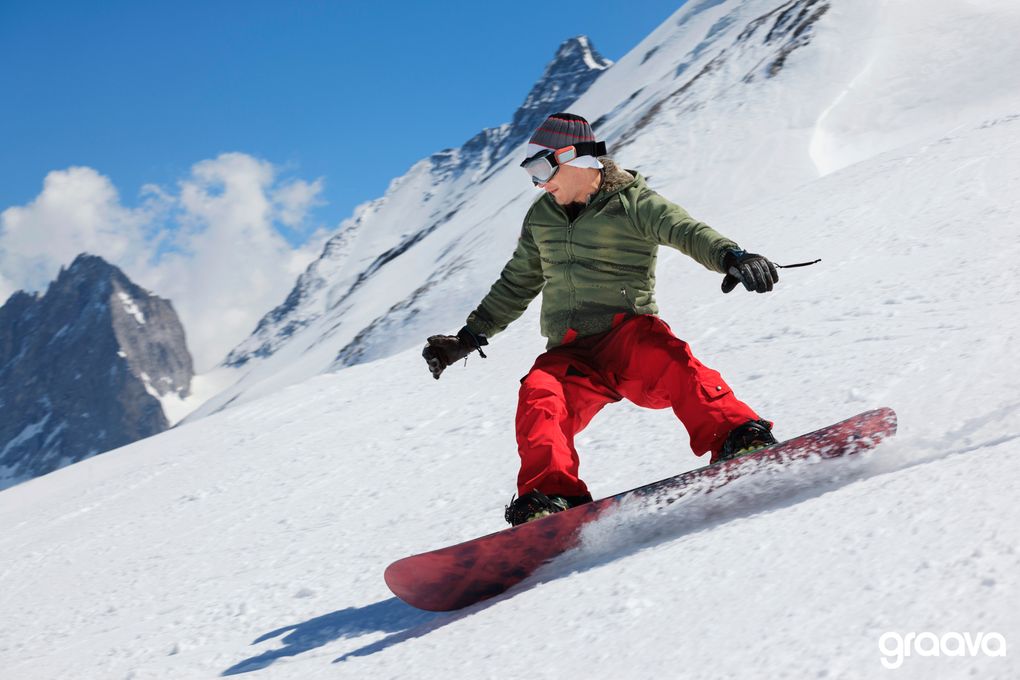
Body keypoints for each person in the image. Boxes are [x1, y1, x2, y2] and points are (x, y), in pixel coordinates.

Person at [423, 112, 780, 526]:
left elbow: (684, 229)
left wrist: (731, 256)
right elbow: (518, 281)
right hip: (571, 351)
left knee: (671, 360)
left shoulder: (633, 202)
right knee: (540, 394)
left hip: (627, 336)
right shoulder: (542, 217)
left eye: (541, 170)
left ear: (572, 157)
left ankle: (738, 435)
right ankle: (552, 496)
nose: (539, 183)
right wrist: (469, 338)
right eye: (530, 174)